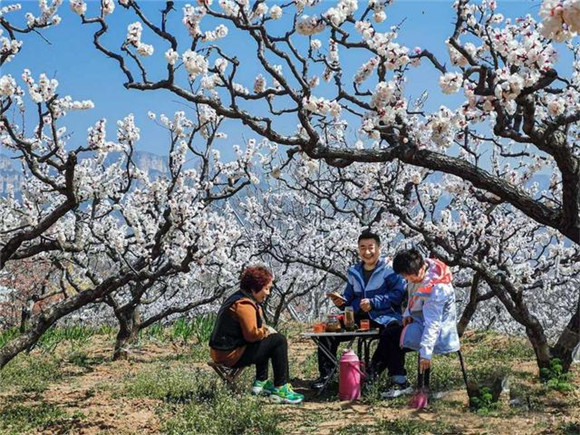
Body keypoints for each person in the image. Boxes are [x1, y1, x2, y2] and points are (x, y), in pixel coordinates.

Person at [311, 230, 406, 390]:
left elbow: (398, 294)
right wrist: (341, 302)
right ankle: (326, 375)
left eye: (371, 247)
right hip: (357, 317)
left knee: (392, 332)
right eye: (362, 247)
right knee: (328, 331)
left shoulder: (389, 270)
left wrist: (374, 303)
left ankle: (372, 371)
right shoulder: (354, 271)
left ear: (379, 248)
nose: (367, 252)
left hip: (384, 316)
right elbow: (349, 297)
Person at [209, 265, 304, 404]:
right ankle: (281, 387)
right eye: (266, 288)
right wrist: (266, 331)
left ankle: (261, 382)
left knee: (267, 339)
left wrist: (264, 330)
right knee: (279, 340)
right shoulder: (244, 304)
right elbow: (252, 335)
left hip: (222, 351)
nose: (268, 293)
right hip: (230, 355)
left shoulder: (237, 298)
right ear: (254, 289)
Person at [380, 248, 460, 399]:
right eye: (406, 276)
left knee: (391, 337)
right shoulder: (421, 272)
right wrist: (407, 314)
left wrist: (425, 354)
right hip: (420, 323)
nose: (410, 279)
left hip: (439, 333)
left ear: (422, 267)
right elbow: (413, 300)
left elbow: (433, 323)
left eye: (411, 276)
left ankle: (395, 381)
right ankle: (377, 375)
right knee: (389, 332)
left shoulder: (436, 287)